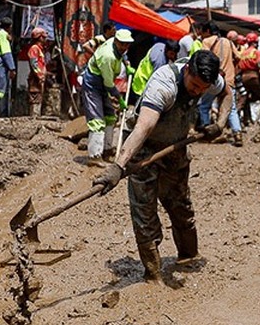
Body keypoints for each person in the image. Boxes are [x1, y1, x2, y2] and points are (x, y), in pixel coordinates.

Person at [92, 49, 233, 282]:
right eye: (194, 85)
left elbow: (228, 92)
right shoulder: (163, 85)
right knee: (144, 212)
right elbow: (144, 127)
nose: (197, 91)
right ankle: (153, 273)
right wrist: (118, 166)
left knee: (180, 204)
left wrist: (219, 123)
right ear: (187, 69)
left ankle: (188, 256)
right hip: (143, 146)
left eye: (202, 89)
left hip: (175, 145)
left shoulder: (210, 79)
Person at [82, 28, 133, 162]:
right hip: (93, 84)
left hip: (104, 83)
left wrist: (126, 63)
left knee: (110, 116)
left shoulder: (117, 46)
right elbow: (109, 84)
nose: (125, 47)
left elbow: (123, 55)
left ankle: (107, 149)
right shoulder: (107, 56)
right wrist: (119, 98)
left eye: (127, 44)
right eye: (122, 44)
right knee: (97, 119)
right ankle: (95, 156)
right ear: (116, 41)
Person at [200, 23, 243, 145]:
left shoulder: (207, 41)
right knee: (231, 108)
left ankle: (207, 132)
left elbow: (203, 59)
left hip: (213, 80)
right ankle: (237, 134)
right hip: (229, 79)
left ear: (207, 31)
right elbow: (239, 56)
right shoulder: (228, 42)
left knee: (204, 106)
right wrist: (232, 68)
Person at [26, 27, 50, 117]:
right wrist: (39, 76)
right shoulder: (34, 48)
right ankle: (34, 118)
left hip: (39, 79)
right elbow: (34, 65)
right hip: (35, 79)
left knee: (39, 98)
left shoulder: (39, 49)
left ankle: (36, 116)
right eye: (43, 37)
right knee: (35, 97)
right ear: (39, 37)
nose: (45, 39)